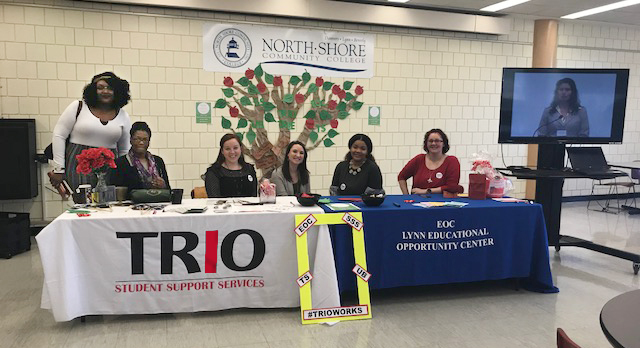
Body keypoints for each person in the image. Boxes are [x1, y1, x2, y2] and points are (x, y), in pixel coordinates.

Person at [49, 72, 132, 192]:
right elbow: (59, 135)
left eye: (110, 88)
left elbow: (124, 150)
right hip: (78, 165)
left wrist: (125, 174)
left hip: (109, 168)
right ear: (93, 90)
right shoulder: (78, 107)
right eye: (100, 87)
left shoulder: (123, 115)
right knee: (81, 203)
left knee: (107, 205)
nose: (105, 91)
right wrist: (58, 169)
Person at [109, 121, 170, 195]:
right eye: (137, 139)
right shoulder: (120, 163)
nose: (141, 143)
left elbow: (169, 190)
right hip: (132, 205)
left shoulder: (158, 161)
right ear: (131, 140)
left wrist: (163, 185)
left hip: (157, 203)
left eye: (145, 139)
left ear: (149, 142)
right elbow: (116, 191)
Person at [398, 129, 460, 195]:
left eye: (437, 141)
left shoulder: (452, 161)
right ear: (426, 143)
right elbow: (401, 176)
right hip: (417, 202)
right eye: (430, 141)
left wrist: (426, 191)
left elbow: (452, 187)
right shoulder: (418, 159)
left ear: (444, 143)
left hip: (442, 203)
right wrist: (406, 196)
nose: (433, 143)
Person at [204, 133, 257, 198]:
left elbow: (254, 196)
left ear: (240, 149)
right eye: (227, 149)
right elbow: (214, 199)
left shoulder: (249, 169)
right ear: (222, 151)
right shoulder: (214, 172)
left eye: (235, 148)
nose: (232, 152)